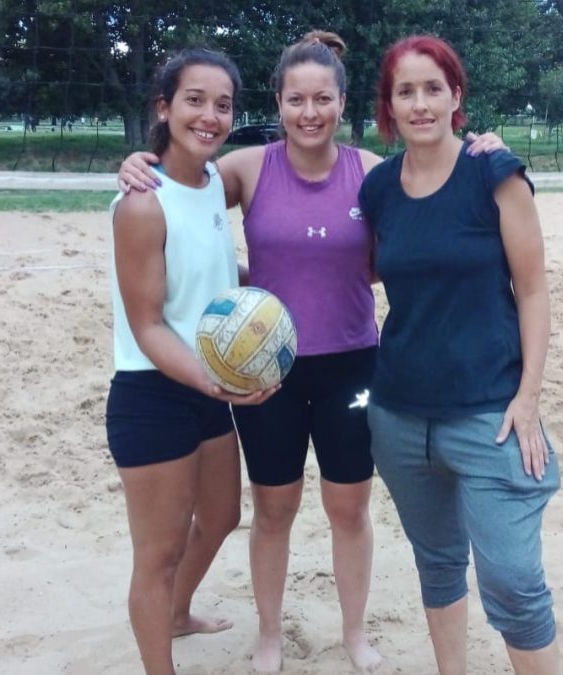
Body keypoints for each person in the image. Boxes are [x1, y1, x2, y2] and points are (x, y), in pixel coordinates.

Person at [117, 31, 508, 673]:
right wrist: (139, 161)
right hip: (266, 369)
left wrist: (483, 150)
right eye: (295, 99)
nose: (309, 112)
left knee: (349, 510)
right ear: (277, 102)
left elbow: (426, 206)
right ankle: (270, 634)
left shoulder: (373, 173)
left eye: (322, 99)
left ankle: (354, 633)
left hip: (352, 362)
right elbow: (183, 182)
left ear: (342, 102)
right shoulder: (246, 169)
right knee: (273, 510)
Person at [357, 35, 561, 675]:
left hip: (488, 413)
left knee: (514, 581)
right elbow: (362, 269)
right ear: (389, 105)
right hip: (398, 415)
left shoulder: (494, 174)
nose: (420, 104)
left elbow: (532, 290)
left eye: (432, 89)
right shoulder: (379, 187)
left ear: (455, 96)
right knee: (438, 563)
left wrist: (528, 398)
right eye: (405, 92)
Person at [105, 47, 276, 675]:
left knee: (224, 514)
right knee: (159, 554)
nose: (209, 116)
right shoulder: (141, 203)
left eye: (222, 105)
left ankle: (177, 614)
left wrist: (275, 285)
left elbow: (210, 267)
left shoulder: (208, 185)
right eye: (194, 100)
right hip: (152, 391)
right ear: (164, 107)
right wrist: (215, 383)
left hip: (204, 386)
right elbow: (147, 325)